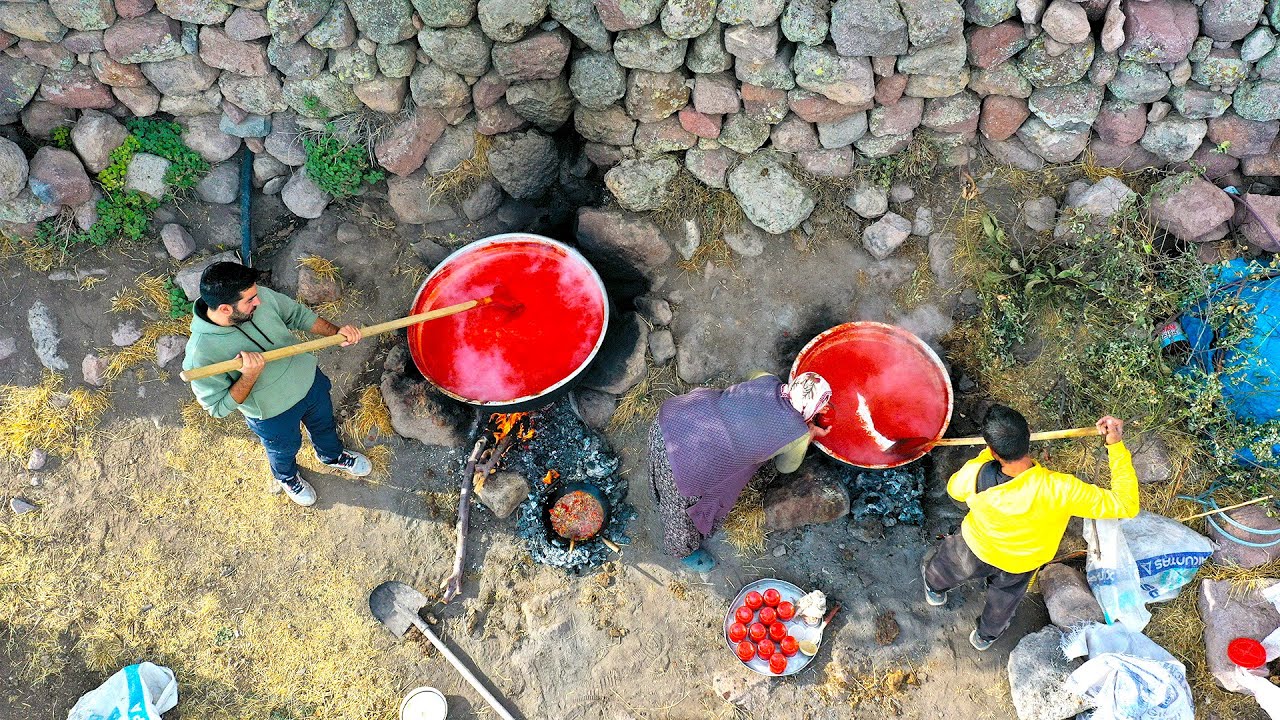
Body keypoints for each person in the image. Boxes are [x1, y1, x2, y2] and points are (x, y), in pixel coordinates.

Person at [922, 405, 1139, 650]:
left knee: (946, 568)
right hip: (1021, 563)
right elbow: (1126, 505)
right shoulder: (1061, 489)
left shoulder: (975, 474)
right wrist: (1116, 446)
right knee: (1002, 604)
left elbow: (954, 490)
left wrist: (985, 457)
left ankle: (934, 589)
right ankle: (985, 637)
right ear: (1029, 434)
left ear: (992, 450)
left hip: (974, 548)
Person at [182, 261, 372, 507]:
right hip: (272, 414)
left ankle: (331, 455)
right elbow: (217, 408)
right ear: (226, 309)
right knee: (284, 449)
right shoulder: (200, 355)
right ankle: (287, 477)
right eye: (250, 300)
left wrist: (337, 334)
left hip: (309, 382)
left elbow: (297, 315)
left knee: (325, 426)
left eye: (255, 294)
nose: (259, 301)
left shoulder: (259, 297)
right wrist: (249, 375)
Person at [649, 371, 833, 572]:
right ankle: (684, 552)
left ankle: (658, 491)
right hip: (684, 469)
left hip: (672, 420)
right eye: (821, 405)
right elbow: (785, 467)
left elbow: (753, 379)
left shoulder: (768, 380)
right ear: (812, 409)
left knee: (662, 467)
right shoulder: (798, 433)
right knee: (679, 513)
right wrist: (808, 435)